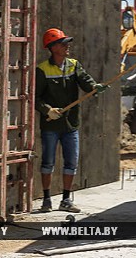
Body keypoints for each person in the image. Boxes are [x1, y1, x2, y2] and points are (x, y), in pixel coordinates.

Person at [35, 28, 108, 213]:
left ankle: (66, 200)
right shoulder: (42, 70)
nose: (67, 46)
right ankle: (46, 200)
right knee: (48, 162)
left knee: (71, 163)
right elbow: (34, 97)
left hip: (71, 124)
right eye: (63, 43)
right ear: (52, 48)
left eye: (67, 43)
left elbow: (86, 81)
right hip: (51, 124)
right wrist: (47, 110)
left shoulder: (74, 65)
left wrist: (94, 87)